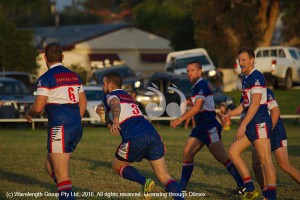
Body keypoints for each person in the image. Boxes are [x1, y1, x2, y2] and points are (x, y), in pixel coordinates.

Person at [96, 72, 184, 200]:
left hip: (135, 136)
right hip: (152, 135)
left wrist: (115, 121)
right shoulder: (128, 96)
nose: (102, 87)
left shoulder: (111, 95)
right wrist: (103, 114)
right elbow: (119, 115)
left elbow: (115, 103)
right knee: (165, 177)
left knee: (117, 166)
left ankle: (145, 182)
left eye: (103, 84)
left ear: (110, 85)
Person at [170, 61, 245, 195]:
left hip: (210, 127)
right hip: (200, 127)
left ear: (200, 71)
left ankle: (242, 184)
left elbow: (197, 107)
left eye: (192, 70)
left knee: (220, 156)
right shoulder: (196, 86)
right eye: (187, 71)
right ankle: (181, 187)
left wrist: (180, 118)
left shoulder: (202, 85)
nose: (189, 73)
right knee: (187, 153)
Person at [25, 43, 87, 200]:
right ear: (62, 57)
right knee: (49, 165)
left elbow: (38, 108)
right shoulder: (75, 76)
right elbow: (83, 103)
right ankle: (66, 192)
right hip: (75, 125)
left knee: (62, 175)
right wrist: (76, 121)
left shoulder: (46, 78)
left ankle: (66, 194)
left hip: (60, 126)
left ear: (45, 58)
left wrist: (29, 112)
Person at [224, 48, 276, 200]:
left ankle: (271, 197)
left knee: (265, 160)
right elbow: (245, 105)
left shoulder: (256, 77)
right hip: (251, 123)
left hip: (259, 122)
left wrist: (242, 125)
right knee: (233, 152)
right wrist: (230, 113)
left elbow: (254, 105)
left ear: (252, 60)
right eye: (239, 60)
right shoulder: (246, 78)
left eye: (244, 60)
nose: (241, 63)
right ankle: (251, 188)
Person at [251, 89, 300, 194]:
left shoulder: (265, 91)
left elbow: (276, 112)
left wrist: (268, 130)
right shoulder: (245, 94)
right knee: (256, 164)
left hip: (275, 130)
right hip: (259, 130)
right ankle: (266, 193)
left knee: (284, 165)